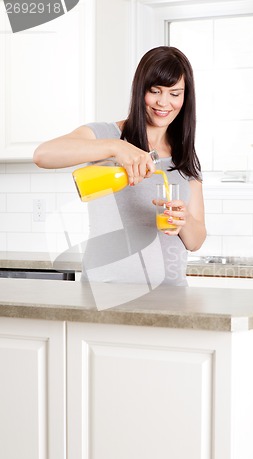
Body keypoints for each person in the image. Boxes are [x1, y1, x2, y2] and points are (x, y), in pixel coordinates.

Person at [33, 46, 206, 286]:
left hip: (170, 296)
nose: (163, 102)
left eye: (174, 94)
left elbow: (196, 241)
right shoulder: (108, 134)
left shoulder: (184, 155)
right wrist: (117, 147)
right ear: (140, 90)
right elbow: (43, 155)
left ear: (185, 97)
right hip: (105, 293)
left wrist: (184, 219)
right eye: (155, 91)